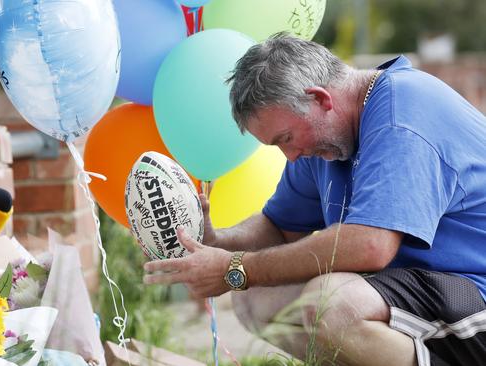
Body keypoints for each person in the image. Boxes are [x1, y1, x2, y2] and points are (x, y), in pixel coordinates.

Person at [143, 32, 486, 366]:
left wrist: (237, 268)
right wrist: (217, 244)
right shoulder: (324, 144)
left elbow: (371, 246)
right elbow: (278, 228)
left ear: (321, 98)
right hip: (433, 292)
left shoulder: (402, 113)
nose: (290, 156)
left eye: (286, 138)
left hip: (476, 294)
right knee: (256, 298)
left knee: (334, 303)